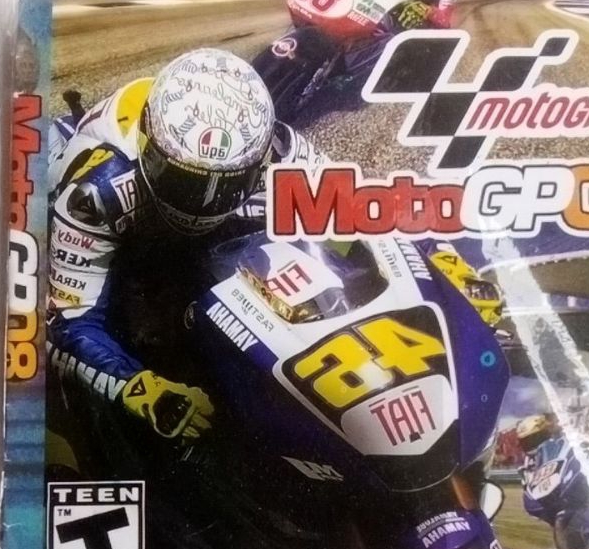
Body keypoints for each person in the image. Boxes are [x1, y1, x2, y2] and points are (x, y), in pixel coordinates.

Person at [47, 46, 501, 446]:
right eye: (186, 181)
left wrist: (438, 254)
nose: (205, 202)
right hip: (130, 243)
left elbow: (359, 207)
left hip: (214, 239)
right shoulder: (96, 191)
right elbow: (68, 321)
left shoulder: (279, 149)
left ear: (259, 158)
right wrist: (138, 388)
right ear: (150, 151)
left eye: (226, 184)